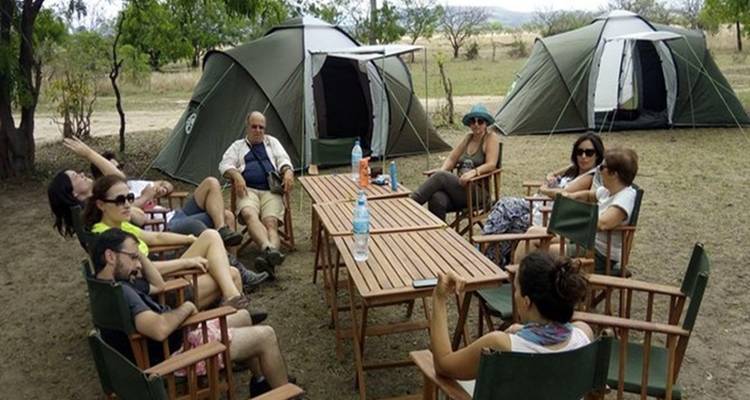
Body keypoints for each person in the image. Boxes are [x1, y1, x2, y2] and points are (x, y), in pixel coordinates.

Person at [91, 228, 289, 395]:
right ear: (110, 256)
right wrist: (187, 307)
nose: (137, 265)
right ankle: (284, 394)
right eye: (133, 257)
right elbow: (159, 329)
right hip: (177, 358)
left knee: (244, 316)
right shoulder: (124, 293)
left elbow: (158, 285)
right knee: (266, 335)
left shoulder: (106, 287)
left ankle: (262, 380)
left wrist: (137, 253)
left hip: (170, 345)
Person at [430, 252, 593, 395]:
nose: (514, 294)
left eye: (516, 289)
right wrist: (522, 330)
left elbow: (443, 365)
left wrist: (439, 299)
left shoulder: (500, 346)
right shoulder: (584, 334)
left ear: (526, 301)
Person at [83, 174, 253, 311]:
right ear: (101, 205)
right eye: (120, 201)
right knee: (232, 274)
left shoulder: (120, 225)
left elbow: (156, 238)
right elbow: (141, 272)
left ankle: (232, 304)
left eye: (129, 198)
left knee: (210, 237)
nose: (128, 205)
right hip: (162, 291)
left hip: (164, 274)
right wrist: (186, 262)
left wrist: (190, 239)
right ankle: (235, 314)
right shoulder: (107, 238)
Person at [48, 137, 243, 247]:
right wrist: (145, 197)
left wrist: (163, 187)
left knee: (211, 183)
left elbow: (123, 179)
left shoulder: (103, 195)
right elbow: (134, 212)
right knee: (220, 217)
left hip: (169, 215)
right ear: (72, 192)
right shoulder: (100, 206)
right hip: (163, 223)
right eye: (76, 177)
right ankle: (231, 263)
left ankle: (224, 237)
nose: (82, 174)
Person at [481, 133, 604, 266]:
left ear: (597, 155)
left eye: (589, 152)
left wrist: (544, 189)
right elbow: (552, 174)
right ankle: (486, 247)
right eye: (580, 152)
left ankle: (488, 257)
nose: (583, 156)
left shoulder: (589, 176)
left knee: (513, 225)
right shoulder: (574, 168)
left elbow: (564, 193)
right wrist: (550, 177)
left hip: (550, 214)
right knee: (504, 204)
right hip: (538, 203)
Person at [518, 147, 639, 272]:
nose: (599, 170)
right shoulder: (608, 191)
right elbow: (589, 195)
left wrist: (569, 219)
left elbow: (603, 223)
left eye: (602, 167)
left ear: (614, 174)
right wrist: (571, 197)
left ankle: (528, 285)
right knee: (532, 233)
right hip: (584, 242)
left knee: (540, 252)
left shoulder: (626, 196)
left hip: (598, 254)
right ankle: (518, 283)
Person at [219, 111, 295, 278]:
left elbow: (284, 160)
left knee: (271, 223)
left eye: (261, 127)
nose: (258, 130)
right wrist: (236, 175)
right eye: (254, 126)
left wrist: (288, 171)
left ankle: (267, 256)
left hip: (270, 190)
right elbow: (224, 164)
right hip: (248, 190)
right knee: (248, 213)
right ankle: (270, 251)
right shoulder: (237, 146)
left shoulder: (272, 142)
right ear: (247, 127)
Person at [410, 104, 500, 221]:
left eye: (480, 121)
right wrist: (443, 170)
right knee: (437, 198)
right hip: (460, 189)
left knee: (441, 177)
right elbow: (452, 159)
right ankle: (440, 236)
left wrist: (473, 172)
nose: (476, 124)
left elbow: (491, 164)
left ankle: (410, 204)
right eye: (473, 121)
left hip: (478, 193)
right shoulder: (468, 138)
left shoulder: (490, 138)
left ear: (486, 123)